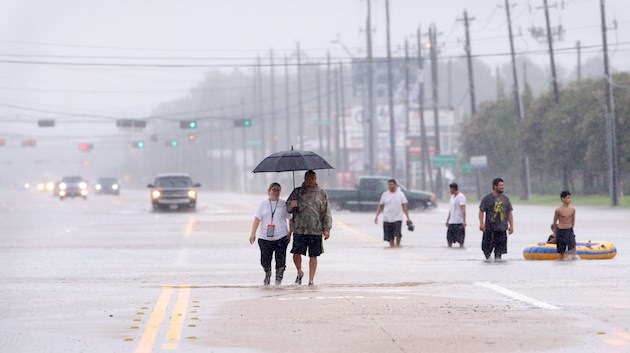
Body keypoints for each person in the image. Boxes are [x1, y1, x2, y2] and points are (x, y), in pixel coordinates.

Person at [287, 170, 332, 286]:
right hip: (299, 228)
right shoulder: (297, 192)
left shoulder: (322, 193)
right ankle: (299, 271)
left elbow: (326, 211)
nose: (309, 180)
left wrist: (327, 229)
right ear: (304, 179)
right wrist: (292, 205)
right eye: (307, 178)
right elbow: (287, 208)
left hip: (316, 229)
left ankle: (311, 280)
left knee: (313, 255)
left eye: (312, 178)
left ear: (315, 179)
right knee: (296, 253)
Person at [249, 182, 292, 286]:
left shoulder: (284, 204)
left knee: (280, 261)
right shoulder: (263, 204)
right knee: (265, 261)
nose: (276, 192)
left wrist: (290, 232)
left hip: (281, 236)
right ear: (268, 191)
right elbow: (257, 219)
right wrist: (253, 233)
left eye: (278, 190)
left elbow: (291, 218)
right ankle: (267, 274)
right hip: (264, 238)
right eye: (274, 190)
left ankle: (278, 280)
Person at [478, 177, 514, 261]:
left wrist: (511, 226)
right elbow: (481, 211)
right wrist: (481, 223)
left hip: (501, 229)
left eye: (503, 185)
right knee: (486, 250)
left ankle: (498, 266)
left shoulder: (505, 199)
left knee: (499, 254)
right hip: (489, 229)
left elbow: (509, 213)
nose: (502, 187)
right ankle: (489, 263)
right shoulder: (487, 199)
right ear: (495, 186)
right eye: (500, 185)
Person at [374, 179, 413, 247]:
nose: (390, 186)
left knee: (398, 234)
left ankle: (398, 245)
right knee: (390, 238)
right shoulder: (385, 194)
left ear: (395, 185)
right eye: (389, 185)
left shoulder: (400, 194)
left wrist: (408, 218)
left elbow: (405, 206)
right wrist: (376, 216)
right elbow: (381, 205)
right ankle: (392, 247)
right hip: (387, 218)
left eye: (392, 184)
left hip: (398, 218)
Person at [552, 190, 577, 260]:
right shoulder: (558, 210)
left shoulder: (573, 209)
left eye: (570, 198)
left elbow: (573, 221)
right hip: (561, 231)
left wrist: (571, 230)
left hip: (569, 230)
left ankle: (573, 260)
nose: (569, 199)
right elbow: (554, 222)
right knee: (561, 252)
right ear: (563, 199)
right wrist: (554, 233)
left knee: (573, 248)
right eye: (568, 198)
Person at [445, 183, 466, 248]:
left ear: (453, 189)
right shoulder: (452, 197)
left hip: (459, 222)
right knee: (449, 240)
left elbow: (463, 209)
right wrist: (447, 220)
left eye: (450, 189)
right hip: (452, 222)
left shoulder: (461, 197)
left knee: (460, 241)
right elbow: (450, 209)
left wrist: (464, 220)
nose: (449, 191)